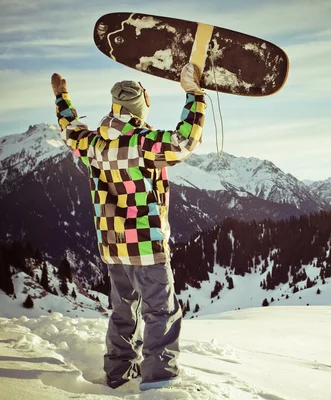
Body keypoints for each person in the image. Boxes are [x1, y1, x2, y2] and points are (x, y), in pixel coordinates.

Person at [50, 63, 207, 391]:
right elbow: (183, 141)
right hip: (147, 248)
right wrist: (195, 95)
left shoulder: (94, 144)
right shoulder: (143, 142)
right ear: (139, 107)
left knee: (123, 313)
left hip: (113, 247)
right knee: (160, 314)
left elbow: (70, 131)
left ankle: (118, 376)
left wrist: (62, 97)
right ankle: (159, 384)